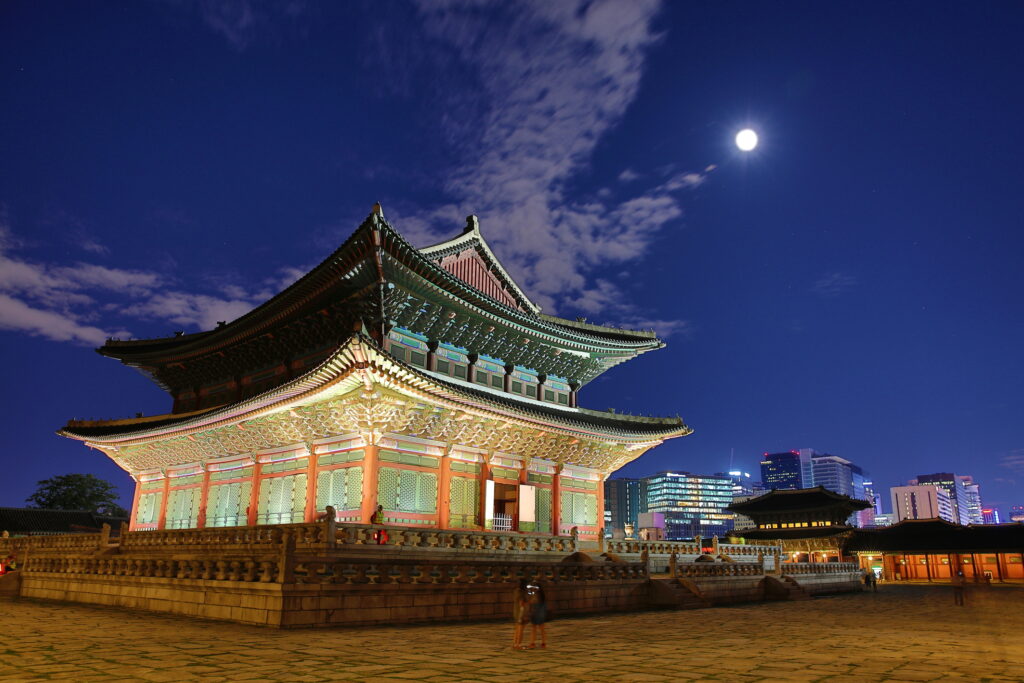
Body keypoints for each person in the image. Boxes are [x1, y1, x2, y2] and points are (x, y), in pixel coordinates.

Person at [527, 583, 548, 650]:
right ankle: (543, 643)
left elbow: (531, 603)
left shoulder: (535, 595)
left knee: (534, 629)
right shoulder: (542, 595)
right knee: (541, 629)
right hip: (540, 613)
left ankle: (533, 643)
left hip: (536, 613)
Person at [512, 579, 530, 650]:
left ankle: (514, 643)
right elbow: (522, 603)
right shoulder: (522, 592)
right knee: (520, 630)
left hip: (516, 611)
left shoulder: (516, 591)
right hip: (521, 613)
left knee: (517, 629)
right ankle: (518, 644)